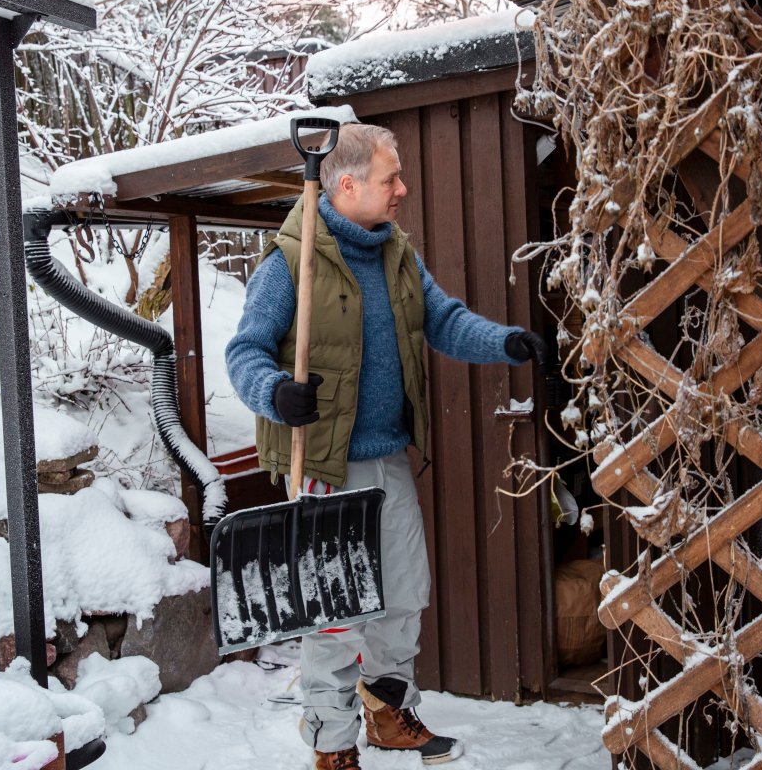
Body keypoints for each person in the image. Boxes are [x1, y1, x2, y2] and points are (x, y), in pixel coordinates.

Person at [225, 123, 547, 770]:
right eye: (389, 179)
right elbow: (245, 352)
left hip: (387, 455)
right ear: (346, 185)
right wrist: (273, 393)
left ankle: (386, 708)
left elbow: (443, 319)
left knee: (403, 596)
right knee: (335, 614)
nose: (402, 190)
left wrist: (504, 342)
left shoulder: (394, 251)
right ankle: (332, 743)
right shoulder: (292, 258)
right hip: (322, 463)